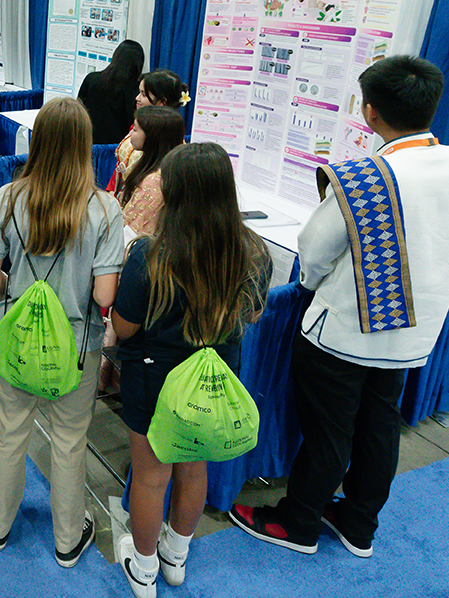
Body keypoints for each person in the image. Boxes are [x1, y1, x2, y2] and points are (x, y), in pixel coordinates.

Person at [229, 56, 449, 558]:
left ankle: (298, 522)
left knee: (328, 434)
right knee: (379, 426)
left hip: (345, 331)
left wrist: (312, 284)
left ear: (370, 112)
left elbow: (314, 250)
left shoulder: (363, 178)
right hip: (415, 332)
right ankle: (358, 522)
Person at [113, 142, 271, 597]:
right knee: (193, 467)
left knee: (150, 476)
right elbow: (254, 314)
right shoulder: (253, 252)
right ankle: (175, 557)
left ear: (175, 192)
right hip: (214, 382)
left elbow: (123, 327)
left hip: (154, 379)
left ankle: (144, 569)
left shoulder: (150, 254)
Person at [0, 97, 124, 566]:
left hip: (18, 339)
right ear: (85, 145)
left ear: (38, 140)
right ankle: (67, 540)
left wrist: (19, 291)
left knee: (9, 432)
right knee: (68, 441)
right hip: (76, 347)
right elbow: (104, 295)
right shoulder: (104, 208)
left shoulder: (8, 197)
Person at [110, 70, 189, 193]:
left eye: (143, 95)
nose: (137, 98)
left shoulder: (171, 145)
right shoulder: (138, 127)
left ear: (162, 102)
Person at [116, 106, 185, 237]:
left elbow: (131, 232)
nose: (130, 134)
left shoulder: (154, 182)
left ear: (152, 136)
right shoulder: (164, 168)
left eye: (135, 130)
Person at [77, 39, 144, 145]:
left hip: (88, 144)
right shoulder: (136, 90)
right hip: (119, 147)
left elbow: (79, 111)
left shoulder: (91, 79)